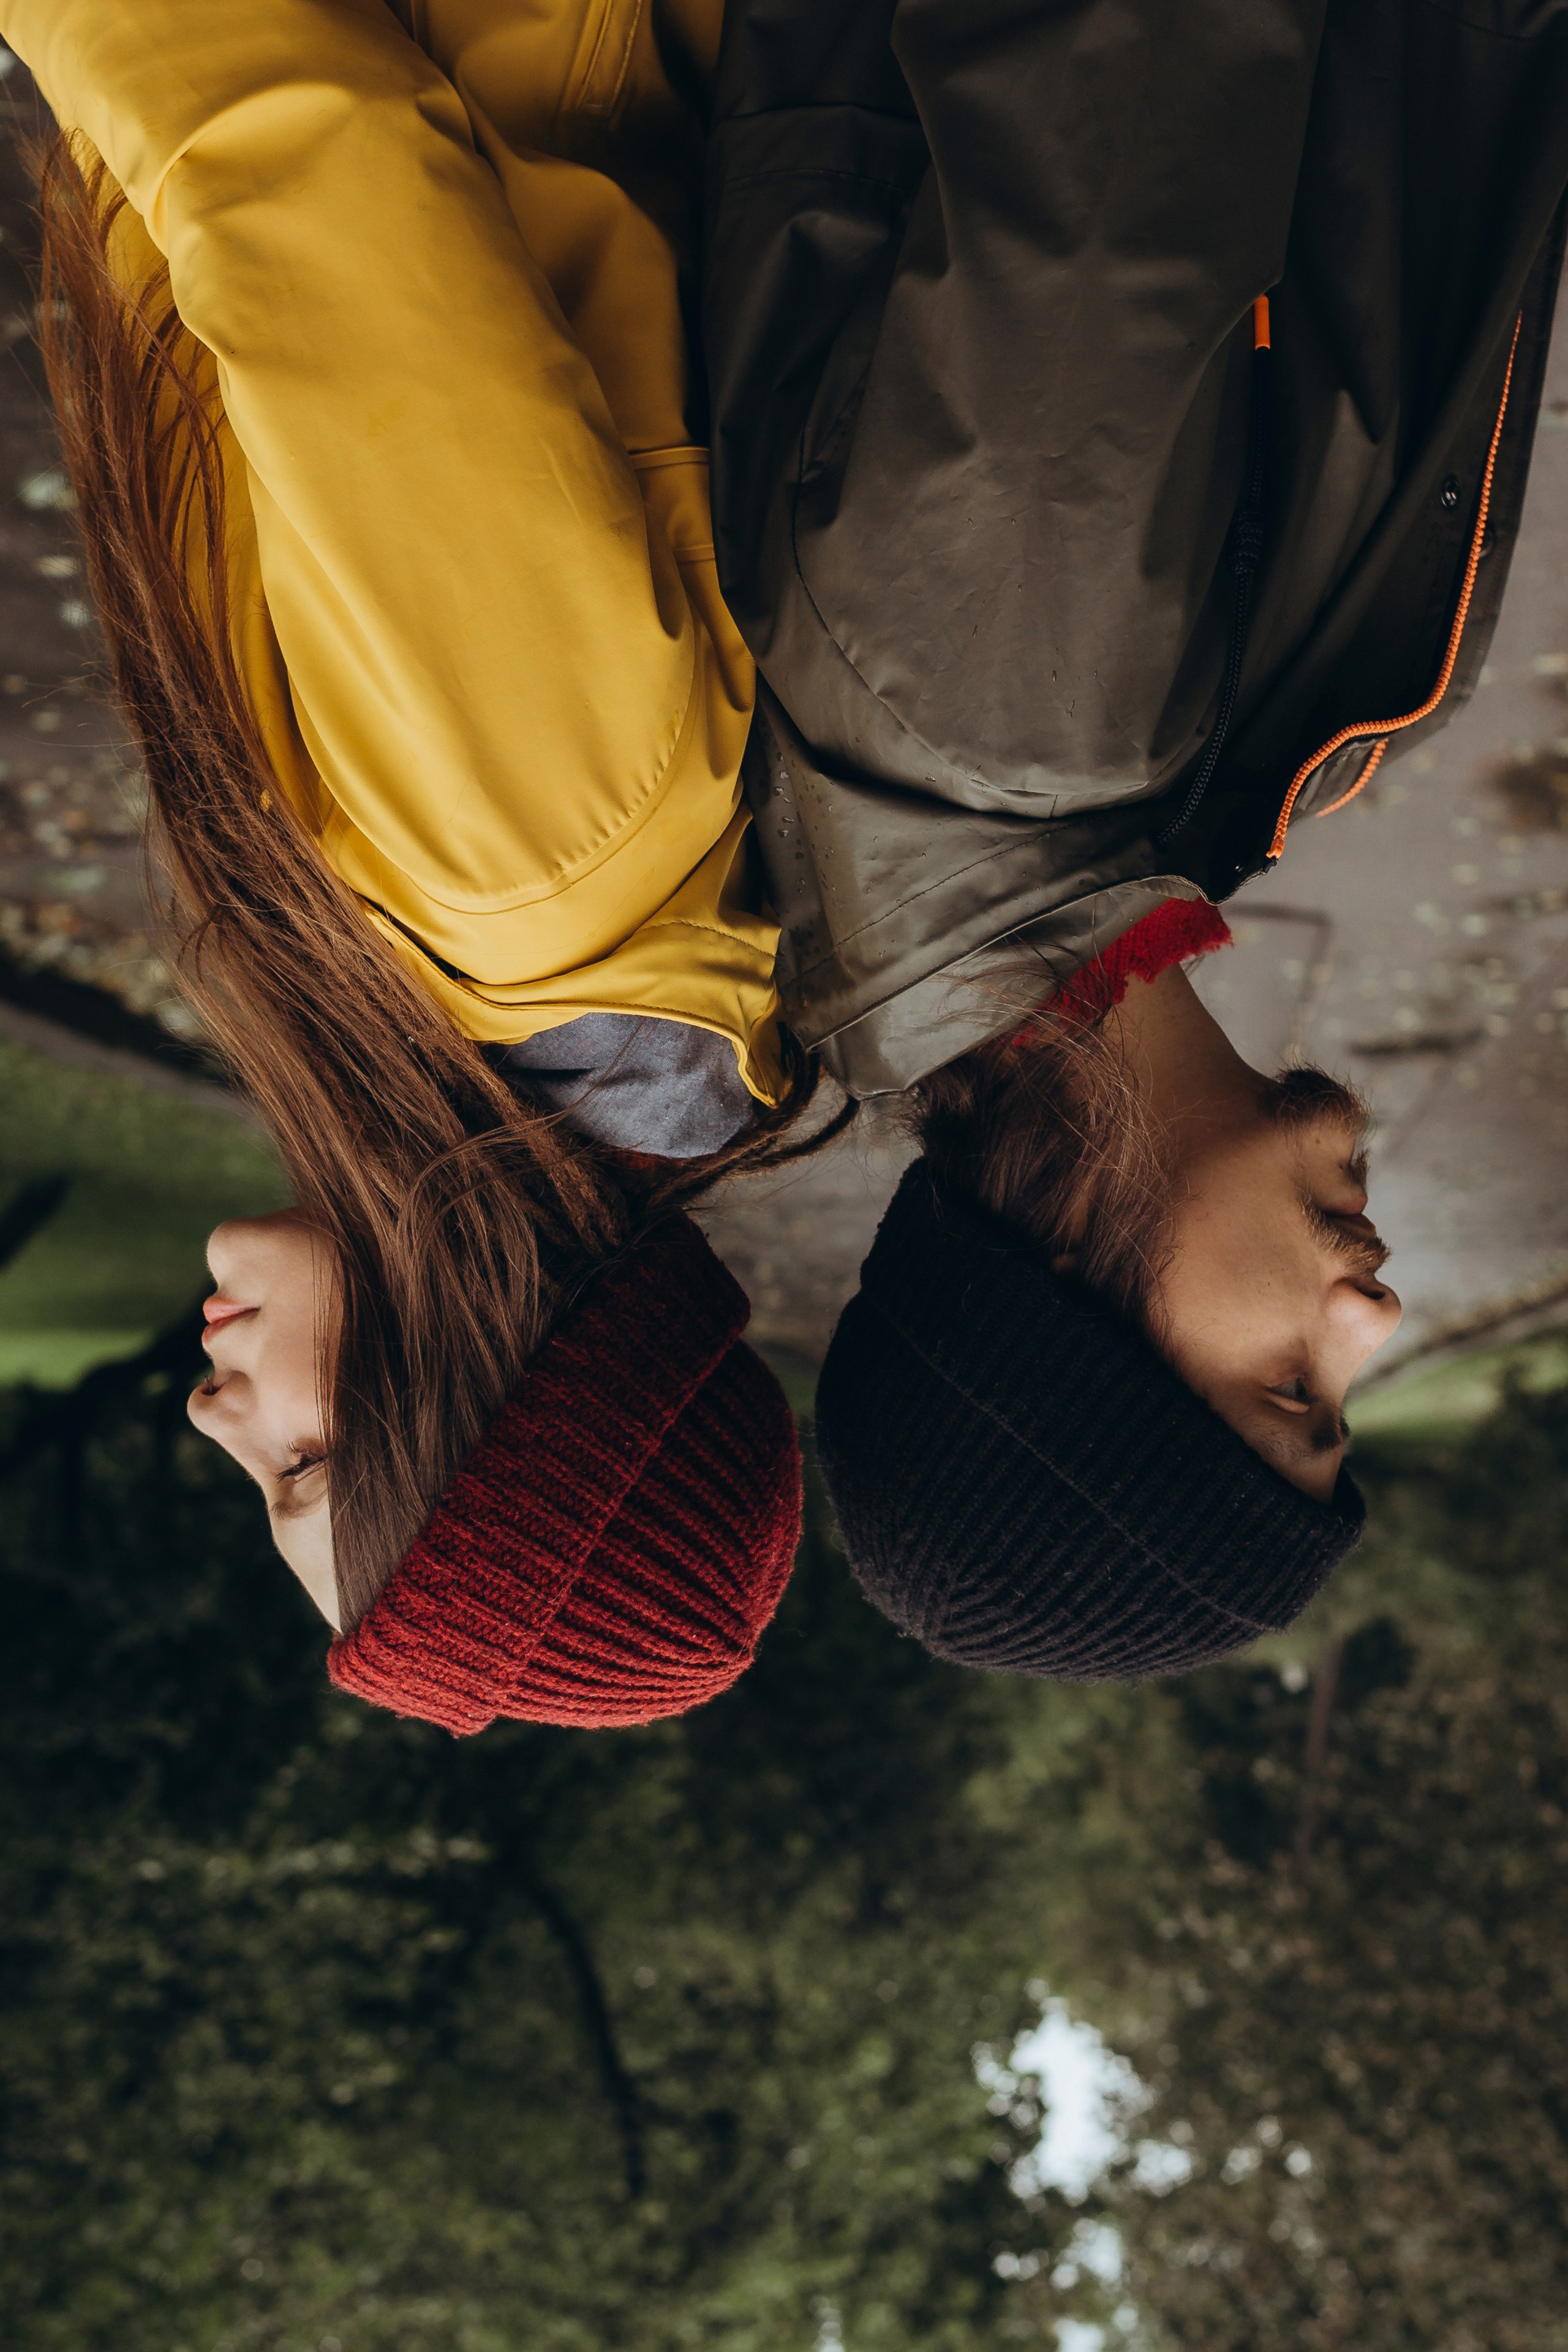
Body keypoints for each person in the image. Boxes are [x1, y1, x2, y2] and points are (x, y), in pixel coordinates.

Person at [7, 0, 848, 1732]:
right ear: (475, 1381)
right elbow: (288, 156)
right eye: (305, 1465)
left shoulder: (545, 983)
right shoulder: (523, 870)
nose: (215, 1417)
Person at [703, 0, 1568, 1675]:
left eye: (1288, 1389)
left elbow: (1120, 64)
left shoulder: (1007, 705)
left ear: (1061, 1297)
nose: (1373, 1321)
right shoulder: (1096, 826)